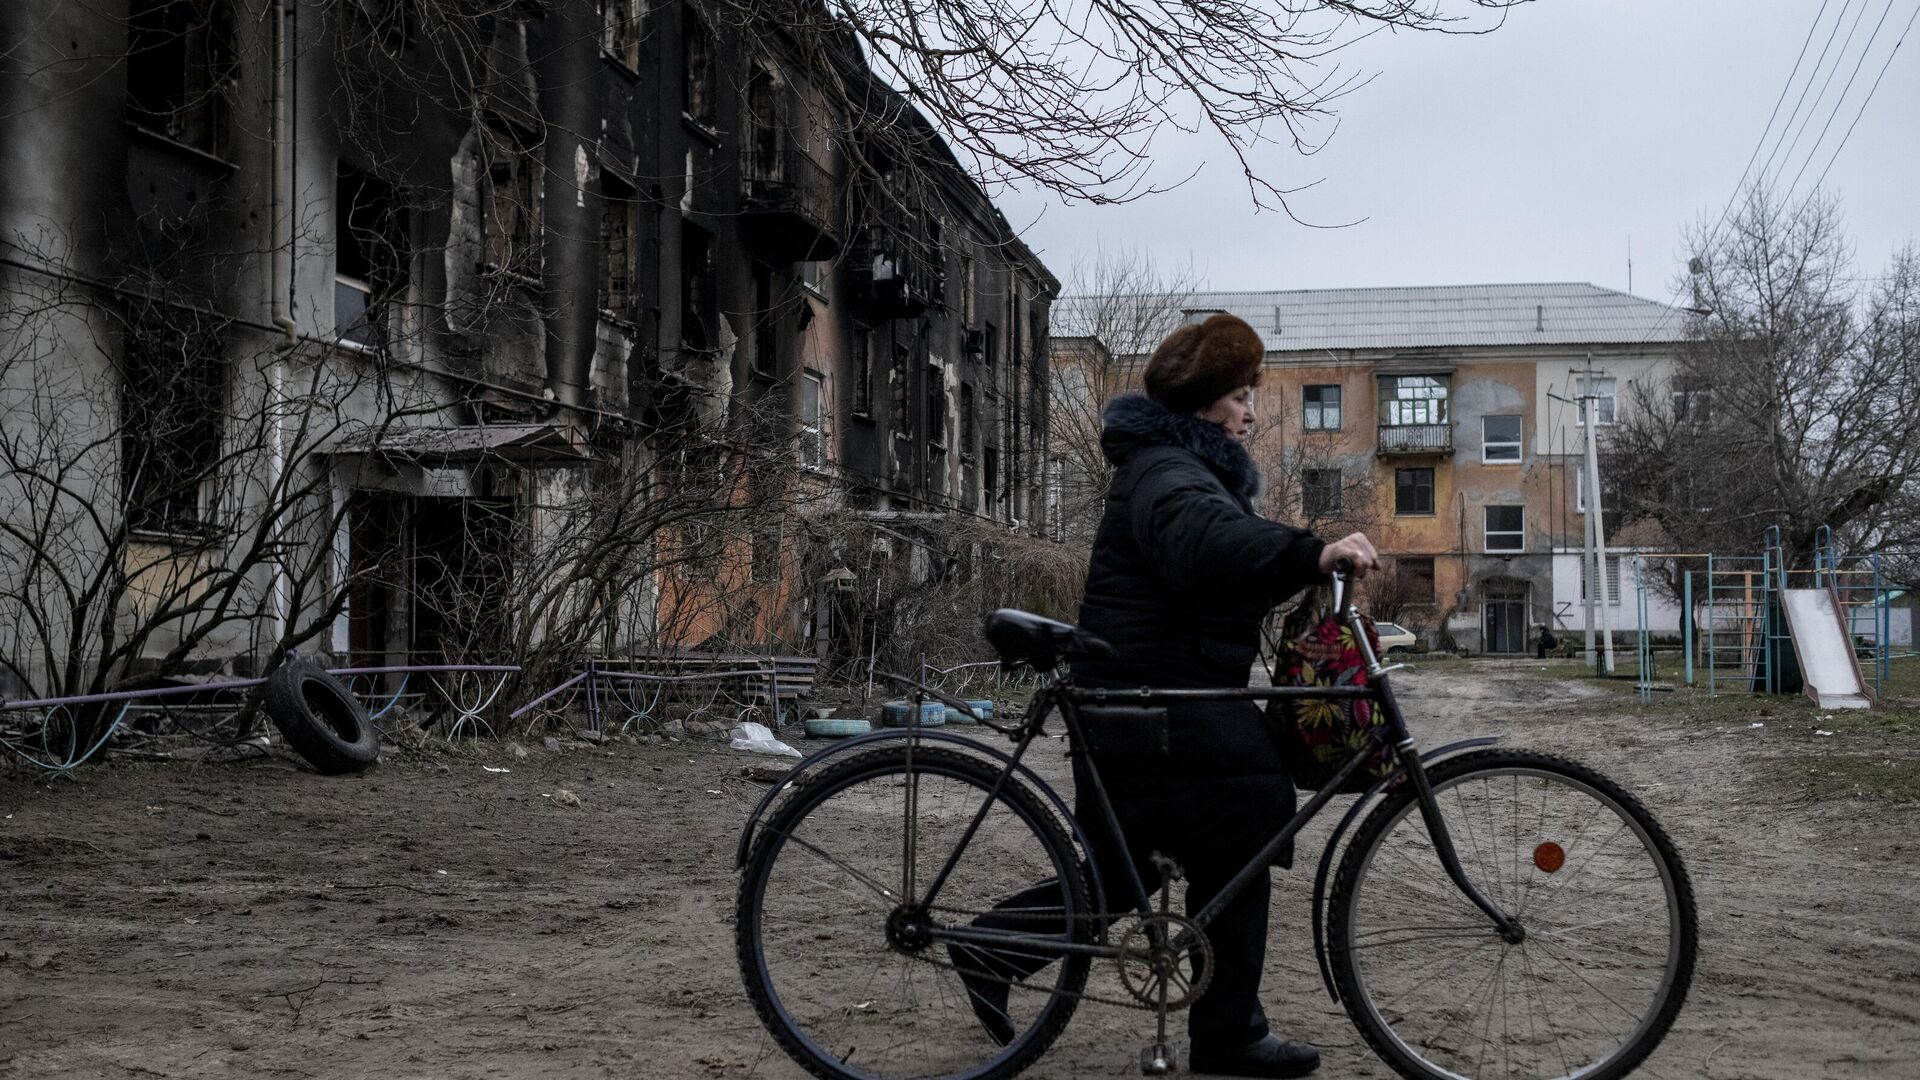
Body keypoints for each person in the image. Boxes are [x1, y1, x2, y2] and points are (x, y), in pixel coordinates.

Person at [955, 314, 1378, 1078]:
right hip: (1144, 709)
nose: (1252, 411)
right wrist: (1312, 552)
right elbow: (1209, 545)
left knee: (1124, 870)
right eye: (1246, 395)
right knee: (1243, 806)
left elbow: (1221, 538)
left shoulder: (1176, 467)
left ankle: (993, 949)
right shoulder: (1167, 474)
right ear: (1214, 400)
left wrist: (1297, 556)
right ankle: (1229, 1036)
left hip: (1148, 700)